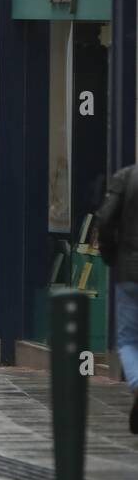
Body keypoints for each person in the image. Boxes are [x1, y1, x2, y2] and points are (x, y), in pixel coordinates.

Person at [92, 164, 138, 433]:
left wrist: (110, 256)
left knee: (129, 340)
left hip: (130, 274)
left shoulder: (127, 176)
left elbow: (106, 220)